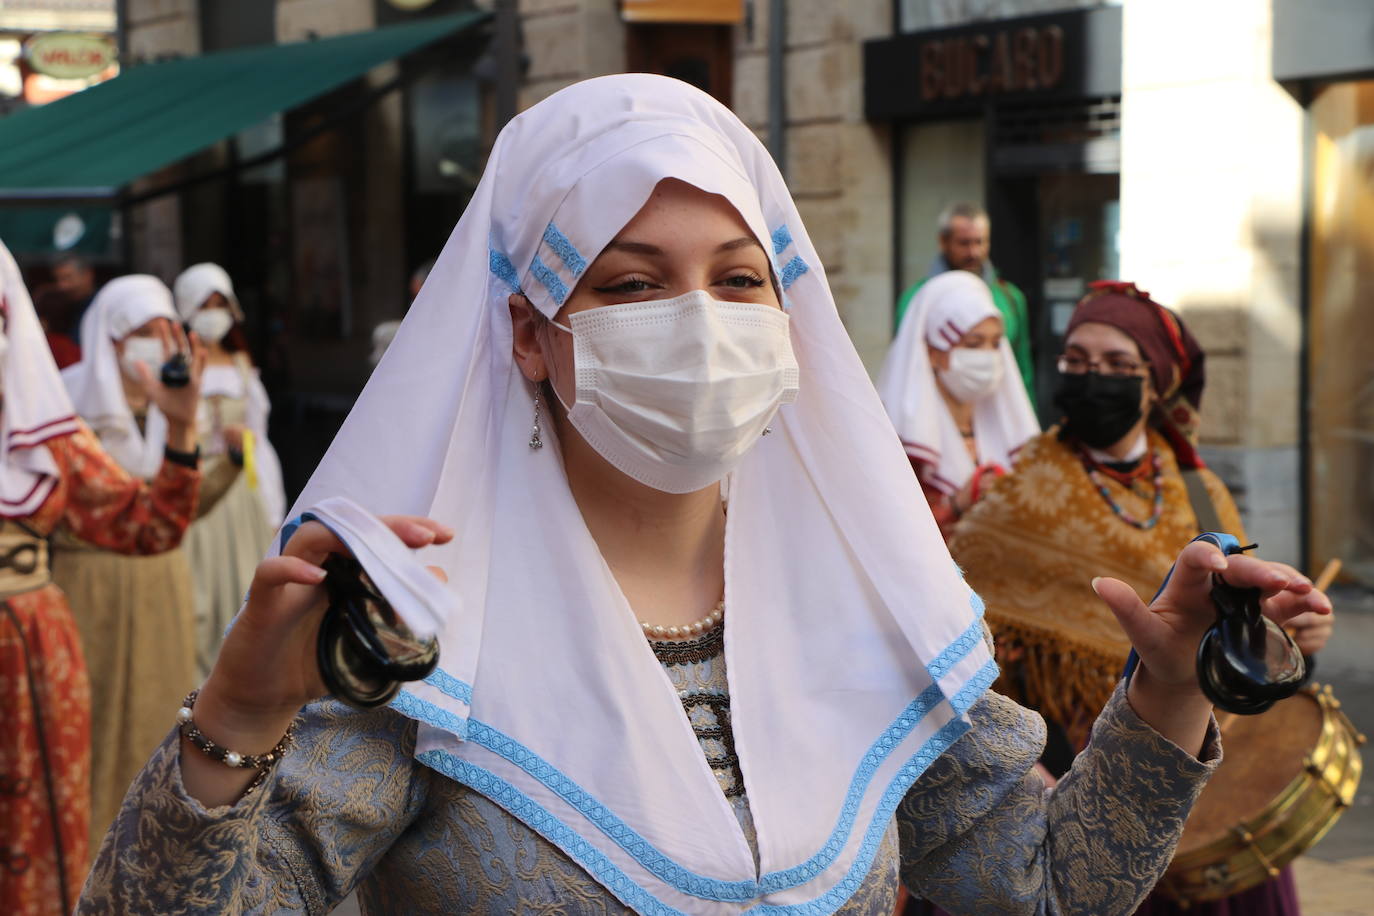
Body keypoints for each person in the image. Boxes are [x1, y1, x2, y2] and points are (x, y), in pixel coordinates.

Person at [80, 76, 1329, 915]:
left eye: (739, 280)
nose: (700, 321)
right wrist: (239, 714)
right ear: (530, 331)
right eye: (629, 286)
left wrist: (1168, 689)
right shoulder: (421, 636)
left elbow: (1050, 884)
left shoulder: (863, 599)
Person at [948, 280, 1334, 914]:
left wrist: (1290, 642)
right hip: (1066, 788)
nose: (1093, 378)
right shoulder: (1014, 496)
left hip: (1198, 784)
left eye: (1118, 366)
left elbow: (1242, 647)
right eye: (1077, 360)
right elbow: (965, 663)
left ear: (1155, 385)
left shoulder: (1202, 493)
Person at [0, 239, 204, 916]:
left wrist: (179, 430)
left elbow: (148, 525)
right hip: (53, 624)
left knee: (35, 835)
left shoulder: (39, 432)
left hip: (29, 655)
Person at [54, 275, 204, 851]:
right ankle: (86, 848)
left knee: (157, 709)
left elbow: (173, 509)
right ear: (111, 338)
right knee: (91, 718)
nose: (156, 344)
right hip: (87, 579)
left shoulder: (178, 402)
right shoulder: (64, 401)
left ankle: (150, 850)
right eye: (143, 332)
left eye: (165, 331)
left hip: (161, 574)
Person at [172, 262, 287, 677]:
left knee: (243, 590)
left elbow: (261, 441)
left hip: (242, 491)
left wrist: (274, 508)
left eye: (220, 304)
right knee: (198, 596)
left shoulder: (242, 366)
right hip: (198, 491)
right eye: (204, 304)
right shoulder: (176, 366)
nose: (213, 313)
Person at [877, 270, 1039, 539]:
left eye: (995, 343)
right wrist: (957, 504)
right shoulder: (897, 434)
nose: (987, 356)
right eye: (973, 344)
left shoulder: (1006, 427)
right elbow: (887, 532)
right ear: (933, 354)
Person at [894, 203, 1035, 405]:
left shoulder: (1010, 298)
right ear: (943, 242)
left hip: (997, 412)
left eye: (980, 242)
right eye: (964, 243)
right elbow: (906, 367)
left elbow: (1023, 372)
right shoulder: (917, 299)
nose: (973, 252)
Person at [51, 253, 97, 343]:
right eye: (58, 279)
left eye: (67, 278)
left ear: (87, 275)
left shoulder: (102, 306)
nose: (62, 286)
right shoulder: (61, 308)